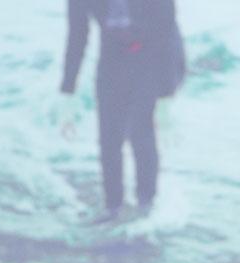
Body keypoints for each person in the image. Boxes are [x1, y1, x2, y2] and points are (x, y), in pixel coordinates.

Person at [60, 0, 185, 222]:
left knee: (140, 132)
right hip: (113, 54)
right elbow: (77, 35)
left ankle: (147, 207)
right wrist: (68, 92)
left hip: (156, 51)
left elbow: (165, 30)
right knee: (109, 139)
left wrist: (165, 97)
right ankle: (112, 208)